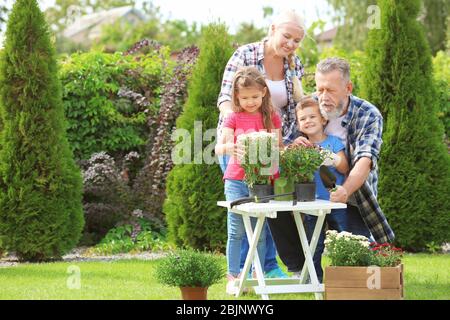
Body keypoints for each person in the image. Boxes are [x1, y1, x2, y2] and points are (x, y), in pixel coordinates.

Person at [217, 9, 307, 278]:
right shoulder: (245, 55)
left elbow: (296, 107)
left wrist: (295, 138)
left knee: (266, 211)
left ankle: (266, 268)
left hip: (273, 146)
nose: (290, 44)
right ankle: (244, 271)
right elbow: (225, 98)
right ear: (272, 29)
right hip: (239, 145)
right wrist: (238, 131)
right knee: (244, 213)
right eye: (286, 36)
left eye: (296, 41)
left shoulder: (294, 65)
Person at [297, 57, 395, 244]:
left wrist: (345, 191)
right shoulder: (311, 106)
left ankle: (365, 272)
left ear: (348, 89)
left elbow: (365, 160)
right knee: (310, 247)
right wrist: (296, 142)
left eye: (330, 90)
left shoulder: (368, 114)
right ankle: (307, 273)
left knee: (356, 246)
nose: (323, 97)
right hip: (313, 193)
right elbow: (288, 139)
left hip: (354, 193)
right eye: (320, 89)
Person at [215, 66, 283, 294]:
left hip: (263, 181)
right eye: (244, 98)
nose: (250, 102)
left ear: (264, 92)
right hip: (236, 180)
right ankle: (233, 275)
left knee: (260, 230)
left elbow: (277, 147)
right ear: (236, 96)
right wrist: (231, 146)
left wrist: (270, 151)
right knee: (236, 230)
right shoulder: (233, 117)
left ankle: (257, 273)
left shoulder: (270, 116)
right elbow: (219, 148)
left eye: (254, 96)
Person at [295, 95, 349, 282]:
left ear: (323, 119)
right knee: (314, 243)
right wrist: (294, 150)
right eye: (303, 118)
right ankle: (314, 279)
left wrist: (329, 156)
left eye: (312, 116)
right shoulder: (300, 146)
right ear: (298, 124)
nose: (307, 121)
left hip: (334, 201)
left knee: (343, 239)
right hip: (312, 203)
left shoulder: (333, 142)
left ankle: (347, 277)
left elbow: (344, 167)